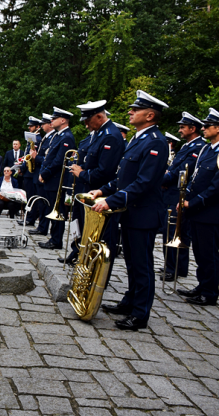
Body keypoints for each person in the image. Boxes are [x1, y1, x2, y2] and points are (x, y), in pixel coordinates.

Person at [91, 90, 169, 331]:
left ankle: (140, 314)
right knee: (133, 263)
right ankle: (129, 301)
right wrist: (102, 190)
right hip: (131, 212)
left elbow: (144, 182)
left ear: (150, 114)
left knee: (142, 265)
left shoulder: (156, 141)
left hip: (144, 214)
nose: (130, 112)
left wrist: (112, 200)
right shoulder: (138, 139)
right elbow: (123, 177)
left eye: (135, 110)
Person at [63, 102, 124, 268]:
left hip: (99, 194)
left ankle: (97, 278)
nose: (86, 124)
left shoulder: (110, 135)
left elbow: (104, 171)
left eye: (88, 120)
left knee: (101, 238)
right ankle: (84, 261)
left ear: (99, 116)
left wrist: (81, 173)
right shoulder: (100, 133)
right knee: (84, 232)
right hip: (87, 190)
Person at [177, 108, 219, 307]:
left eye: (207, 126)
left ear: (218, 128)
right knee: (200, 252)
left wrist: (193, 202)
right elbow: (195, 179)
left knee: (209, 253)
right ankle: (203, 285)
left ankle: (210, 292)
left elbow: (215, 187)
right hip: (197, 211)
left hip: (210, 213)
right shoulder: (207, 149)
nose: (203, 129)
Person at [160, 112, 206, 281]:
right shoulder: (187, 146)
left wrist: (162, 178)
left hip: (179, 195)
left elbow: (181, 172)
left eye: (182, 127)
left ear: (192, 129)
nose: (179, 130)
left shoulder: (197, 147)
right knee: (172, 231)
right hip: (172, 193)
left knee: (174, 231)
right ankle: (174, 266)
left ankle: (175, 268)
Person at [37, 107, 76, 251]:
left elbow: (60, 160)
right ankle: (54, 238)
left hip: (56, 179)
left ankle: (56, 240)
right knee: (53, 208)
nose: (51, 120)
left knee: (58, 210)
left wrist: (45, 173)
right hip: (52, 179)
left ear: (63, 120)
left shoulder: (66, 137)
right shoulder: (59, 135)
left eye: (54, 118)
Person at [28, 114, 56, 232]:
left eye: (44, 124)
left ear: (50, 125)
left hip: (44, 173)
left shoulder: (52, 137)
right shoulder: (46, 137)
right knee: (40, 201)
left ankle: (43, 227)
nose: (42, 126)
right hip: (39, 172)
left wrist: (36, 157)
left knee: (44, 203)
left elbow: (48, 158)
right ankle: (41, 226)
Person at [18, 117, 43, 226]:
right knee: (29, 195)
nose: (29, 127)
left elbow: (32, 156)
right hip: (28, 171)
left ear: (38, 127)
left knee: (32, 196)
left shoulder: (37, 138)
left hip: (31, 172)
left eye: (32, 126)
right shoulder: (31, 138)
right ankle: (29, 217)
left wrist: (24, 167)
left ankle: (31, 218)